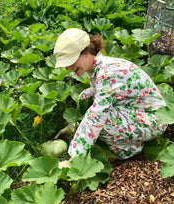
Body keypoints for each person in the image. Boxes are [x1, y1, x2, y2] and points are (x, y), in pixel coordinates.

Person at [54, 28, 167, 167]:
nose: (67, 68)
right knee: (85, 96)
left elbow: (97, 116)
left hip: (154, 120)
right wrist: (77, 127)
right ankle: (128, 144)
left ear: (85, 52)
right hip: (135, 110)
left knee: (103, 121)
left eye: (70, 61)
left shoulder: (108, 73)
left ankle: (133, 153)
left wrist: (74, 158)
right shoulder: (96, 67)